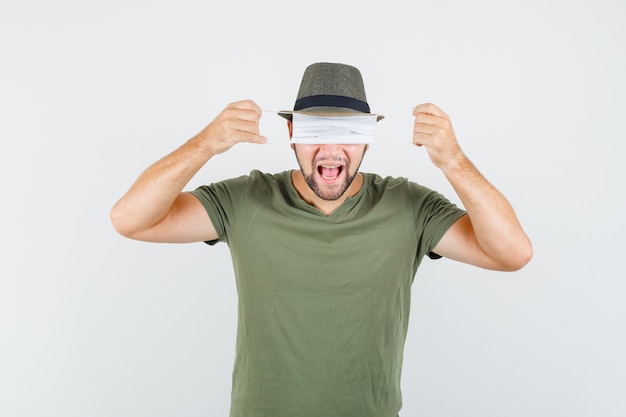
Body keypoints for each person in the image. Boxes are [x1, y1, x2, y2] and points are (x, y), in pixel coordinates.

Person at [110, 62, 532, 417]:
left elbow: (513, 253)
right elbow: (131, 220)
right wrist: (204, 145)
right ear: (292, 132)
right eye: (315, 132)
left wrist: (454, 162)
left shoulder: (409, 206)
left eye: (347, 133)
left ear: (367, 137)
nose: (331, 150)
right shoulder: (245, 199)